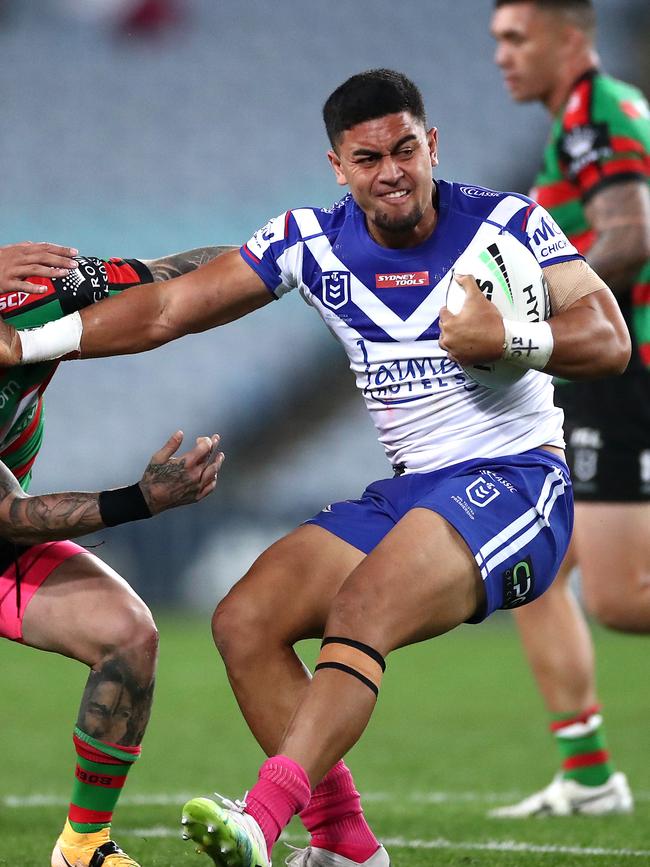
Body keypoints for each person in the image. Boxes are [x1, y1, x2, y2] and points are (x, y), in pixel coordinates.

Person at [0, 68, 630, 867]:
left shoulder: (505, 225)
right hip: (409, 493)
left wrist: (507, 336)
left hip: (515, 482)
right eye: (368, 158)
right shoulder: (313, 241)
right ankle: (345, 849)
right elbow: (168, 308)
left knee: (362, 605)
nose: (392, 171)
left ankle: (261, 820)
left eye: (406, 149)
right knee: (245, 622)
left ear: (432, 144)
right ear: (338, 166)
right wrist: (26, 344)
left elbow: (610, 338)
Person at [0, 242, 228, 867]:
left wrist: (304, 255)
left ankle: (84, 845)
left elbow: (168, 280)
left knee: (126, 634)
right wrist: (139, 500)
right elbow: (10, 515)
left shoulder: (33, 302)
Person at [488, 0, 650, 818]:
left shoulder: (597, 114)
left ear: (571, 37)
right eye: (497, 40)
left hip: (629, 369)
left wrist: (527, 322)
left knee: (623, 598)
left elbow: (630, 233)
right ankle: (588, 773)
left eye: (518, 37)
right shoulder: (578, 123)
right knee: (535, 570)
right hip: (601, 374)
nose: (502, 55)